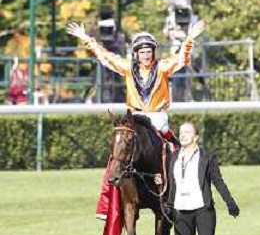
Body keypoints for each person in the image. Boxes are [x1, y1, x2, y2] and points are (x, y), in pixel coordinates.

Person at [66, 19, 206, 221]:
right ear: (136, 54)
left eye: (149, 51)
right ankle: (106, 205)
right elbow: (105, 56)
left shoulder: (164, 67)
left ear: (153, 52)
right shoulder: (127, 68)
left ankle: (180, 195)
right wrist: (86, 38)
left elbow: (182, 59)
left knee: (176, 149)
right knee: (117, 153)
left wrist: (190, 38)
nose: (146, 55)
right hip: (135, 117)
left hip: (158, 117)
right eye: (142, 52)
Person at [166, 121, 240, 235]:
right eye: (181, 132)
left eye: (187, 132)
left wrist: (230, 203)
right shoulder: (174, 157)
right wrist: (168, 205)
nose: (182, 135)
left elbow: (218, 181)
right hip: (180, 210)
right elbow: (171, 183)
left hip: (203, 209)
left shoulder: (207, 157)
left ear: (196, 137)